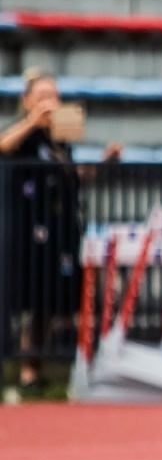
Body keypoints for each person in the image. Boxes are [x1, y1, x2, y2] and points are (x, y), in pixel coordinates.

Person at [1, 70, 120, 391]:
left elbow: (72, 177)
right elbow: (2, 147)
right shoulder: (25, 136)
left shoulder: (59, 139)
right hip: (28, 232)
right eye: (41, 96)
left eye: (53, 96)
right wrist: (32, 121)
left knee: (56, 302)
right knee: (32, 301)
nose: (49, 103)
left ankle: (55, 367)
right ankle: (28, 371)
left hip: (62, 230)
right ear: (27, 101)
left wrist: (103, 164)